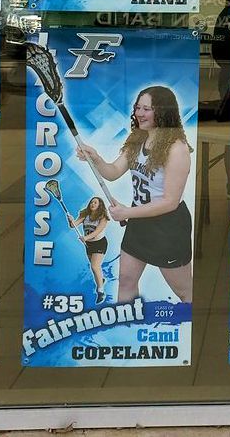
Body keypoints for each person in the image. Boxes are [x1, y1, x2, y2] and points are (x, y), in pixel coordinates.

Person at [76, 86, 193, 304]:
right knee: (126, 280)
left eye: (147, 109)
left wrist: (127, 212)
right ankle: (125, 329)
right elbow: (112, 172)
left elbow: (170, 202)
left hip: (167, 228)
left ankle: (188, 331)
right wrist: (96, 158)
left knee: (184, 292)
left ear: (164, 112)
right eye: (138, 107)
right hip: (139, 222)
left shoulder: (177, 149)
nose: (139, 113)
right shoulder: (138, 139)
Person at [69, 196, 111, 304]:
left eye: (95, 203)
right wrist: (70, 220)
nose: (92, 204)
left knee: (95, 266)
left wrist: (86, 238)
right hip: (88, 245)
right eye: (91, 202)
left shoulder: (103, 218)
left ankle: (100, 291)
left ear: (100, 205)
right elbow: (73, 225)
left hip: (100, 243)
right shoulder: (85, 215)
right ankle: (101, 279)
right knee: (95, 268)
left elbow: (97, 231)